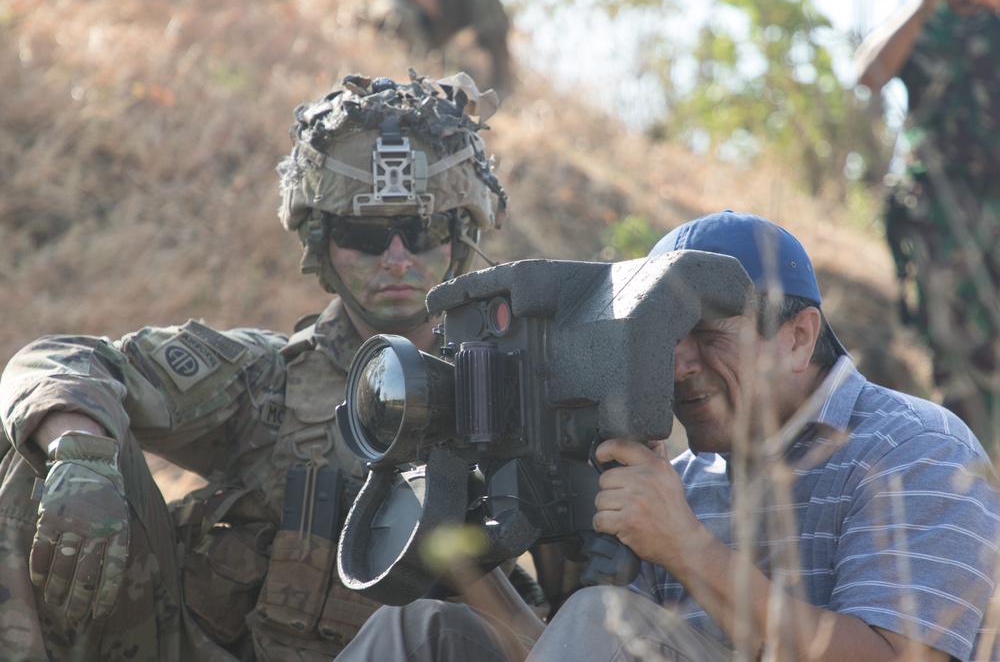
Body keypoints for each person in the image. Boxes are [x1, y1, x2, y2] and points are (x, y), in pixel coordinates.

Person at [0, 70, 517, 661]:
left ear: (461, 235)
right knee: (40, 445)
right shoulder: (268, 379)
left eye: (421, 229)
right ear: (322, 240)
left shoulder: (516, 399)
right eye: (365, 234)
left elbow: (583, 620)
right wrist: (81, 455)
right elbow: (57, 361)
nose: (396, 259)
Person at [334, 210, 1000, 662]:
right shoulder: (686, 477)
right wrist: (471, 562)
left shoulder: (917, 447)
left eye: (709, 337)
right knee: (417, 630)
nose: (680, 365)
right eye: (663, 341)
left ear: (798, 338)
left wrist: (687, 547)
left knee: (600, 611)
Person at [853, 0, 1000, 456]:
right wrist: (922, 6)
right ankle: (966, 475)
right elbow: (869, 75)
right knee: (957, 353)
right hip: (937, 215)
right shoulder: (919, 24)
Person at [366, 0, 514, 96]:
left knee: (486, 0)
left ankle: (502, 84)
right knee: (394, 13)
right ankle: (418, 80)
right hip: (408, 7)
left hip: (448, 9)